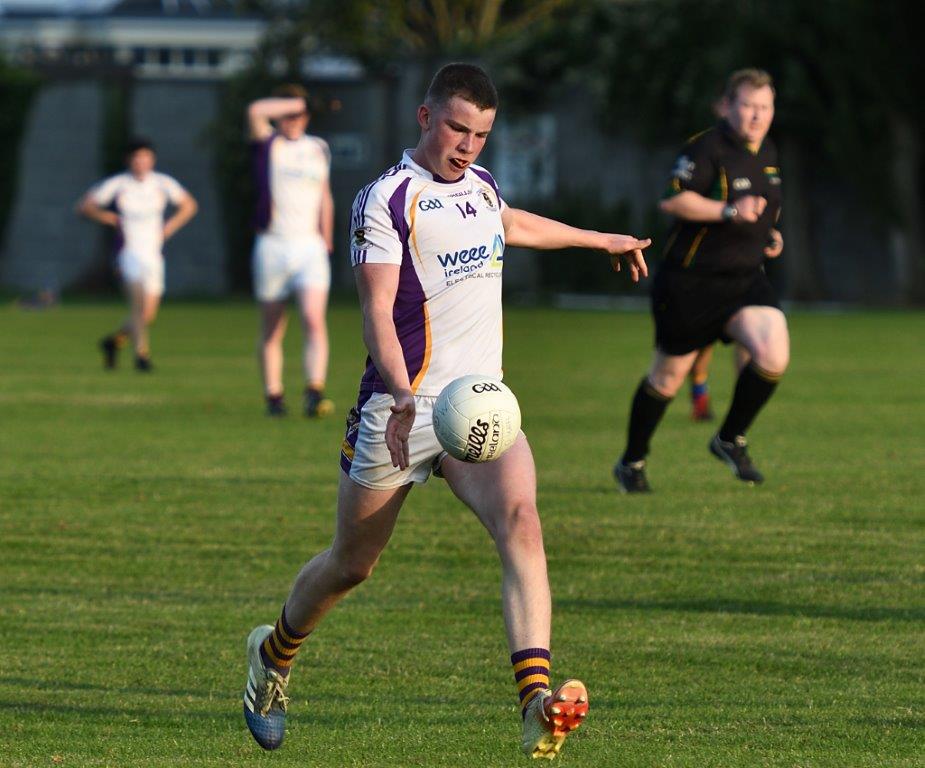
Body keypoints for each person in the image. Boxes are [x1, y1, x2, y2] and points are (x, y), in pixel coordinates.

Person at [241, 63, 650, 759]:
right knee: (351, 565)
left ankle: (535, 701)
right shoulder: (385, 199)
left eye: (482, 133)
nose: (468, 145)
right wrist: (401, 395)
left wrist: (598, 239)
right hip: (398, 410)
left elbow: (509, 221)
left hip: (481, 405)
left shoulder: (483, 186)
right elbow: (374, 309)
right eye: (458, 127)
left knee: (522, 523)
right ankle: (271, 658)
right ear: (425, 117)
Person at [613, 68, 787, 493]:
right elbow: (674, 200)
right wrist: (729, 211)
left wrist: (769, 235)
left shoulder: (768, 151)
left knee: (773, 350)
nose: (756, 116)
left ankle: (729, 438)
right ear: (729, 105)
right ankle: (631, 462)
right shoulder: (707, 147)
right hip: (691, 285)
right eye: (747, 105)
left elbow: (764, 208)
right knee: (668, 379)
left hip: (745, 282)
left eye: (764, 108)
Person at [248, 84, 336, 417]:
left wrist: (326, 236)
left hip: (309, 246)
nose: (294, 119)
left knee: (313, 319)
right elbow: (255, 111)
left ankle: (314, 389)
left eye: (300, 114)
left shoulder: (318, 148)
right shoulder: (270, 144)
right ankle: (274, 394)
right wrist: (297, 99)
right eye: (288, 114)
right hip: (273, 244)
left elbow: (325, 195)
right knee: (273, 326)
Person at [78, 138, 197, 371]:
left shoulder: (162, 183)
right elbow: (85, 206)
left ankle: (113, 342)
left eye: (145, 157)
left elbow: (189, 205)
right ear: (129, 160)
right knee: (138, 303)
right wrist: (108, 218)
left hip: (153, 255)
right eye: (136, 157)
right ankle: (142, 356)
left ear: (152, 160)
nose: (141, 162)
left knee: (148, 314)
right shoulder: (118, 184)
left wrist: (169, 228)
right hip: (127, 253)